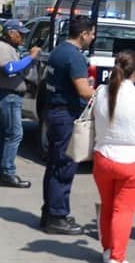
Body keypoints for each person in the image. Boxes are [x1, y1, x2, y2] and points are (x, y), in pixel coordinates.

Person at [93, 50, 135, 263]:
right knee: (123, 211)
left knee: (107, 206)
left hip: (103, 157)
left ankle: (107, 250)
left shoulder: (101, 91)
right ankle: (117, 258)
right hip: (133, 159)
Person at [41, 15, 96, 235]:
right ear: (83, 34)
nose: (92, 38)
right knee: (64, 167)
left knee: (54, 165)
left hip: (54, 113)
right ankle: (57, 217)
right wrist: (103, 93)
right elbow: (83, 91)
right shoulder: (74, 57)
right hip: (65, 116)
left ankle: (50, 212)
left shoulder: (58, 51)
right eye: (91, 34)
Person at [0, 19, 40, 188]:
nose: (22, 37)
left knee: (4, 135)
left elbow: (17, 70)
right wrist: (30, 57)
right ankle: (7, 173)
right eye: (20, 34)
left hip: (9, 95)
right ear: (11, 33)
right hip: (7, 96)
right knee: (14, 134)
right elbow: (9, 68)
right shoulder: (2, 48)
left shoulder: (10, 48)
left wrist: (29, 61)